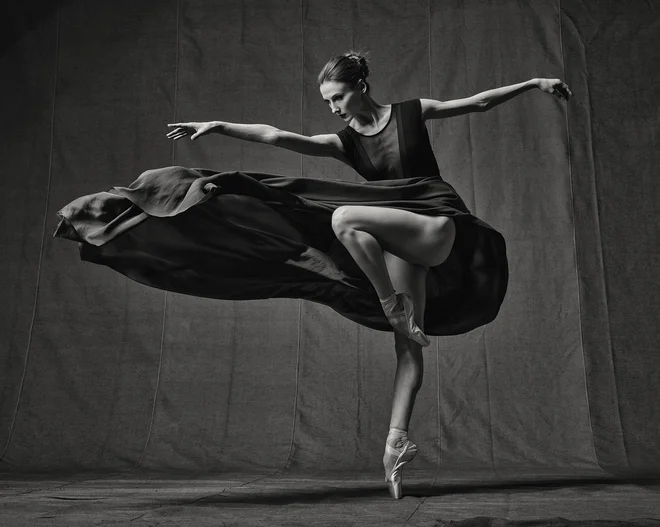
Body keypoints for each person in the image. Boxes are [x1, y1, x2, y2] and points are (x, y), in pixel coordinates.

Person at [54, 50, 571, 499]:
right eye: (327, 101)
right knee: (406, 343)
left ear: (361, 87)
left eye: (338, 97)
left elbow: (476, 103)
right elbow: (277, 137)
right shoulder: (345, 142)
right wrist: (217, 126)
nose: (333, 108)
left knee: (344, 217)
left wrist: (534, 84)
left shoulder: (412, 113)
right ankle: (396, 441)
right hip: (397, 241)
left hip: (437, 223)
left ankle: (390, 301)